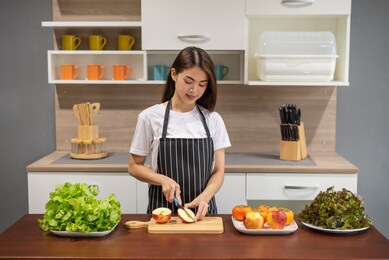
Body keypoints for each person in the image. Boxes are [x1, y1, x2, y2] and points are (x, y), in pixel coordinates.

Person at [128, 46, 231, 221]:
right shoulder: (149, 117)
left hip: (203, 214)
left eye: (202, 84)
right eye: (188, 81)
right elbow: (134, 166)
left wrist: (205, 196)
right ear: (174, 74)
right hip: (162, 214)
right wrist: (162, 180)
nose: (194, 90)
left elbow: (219, 171)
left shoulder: (213, 120)